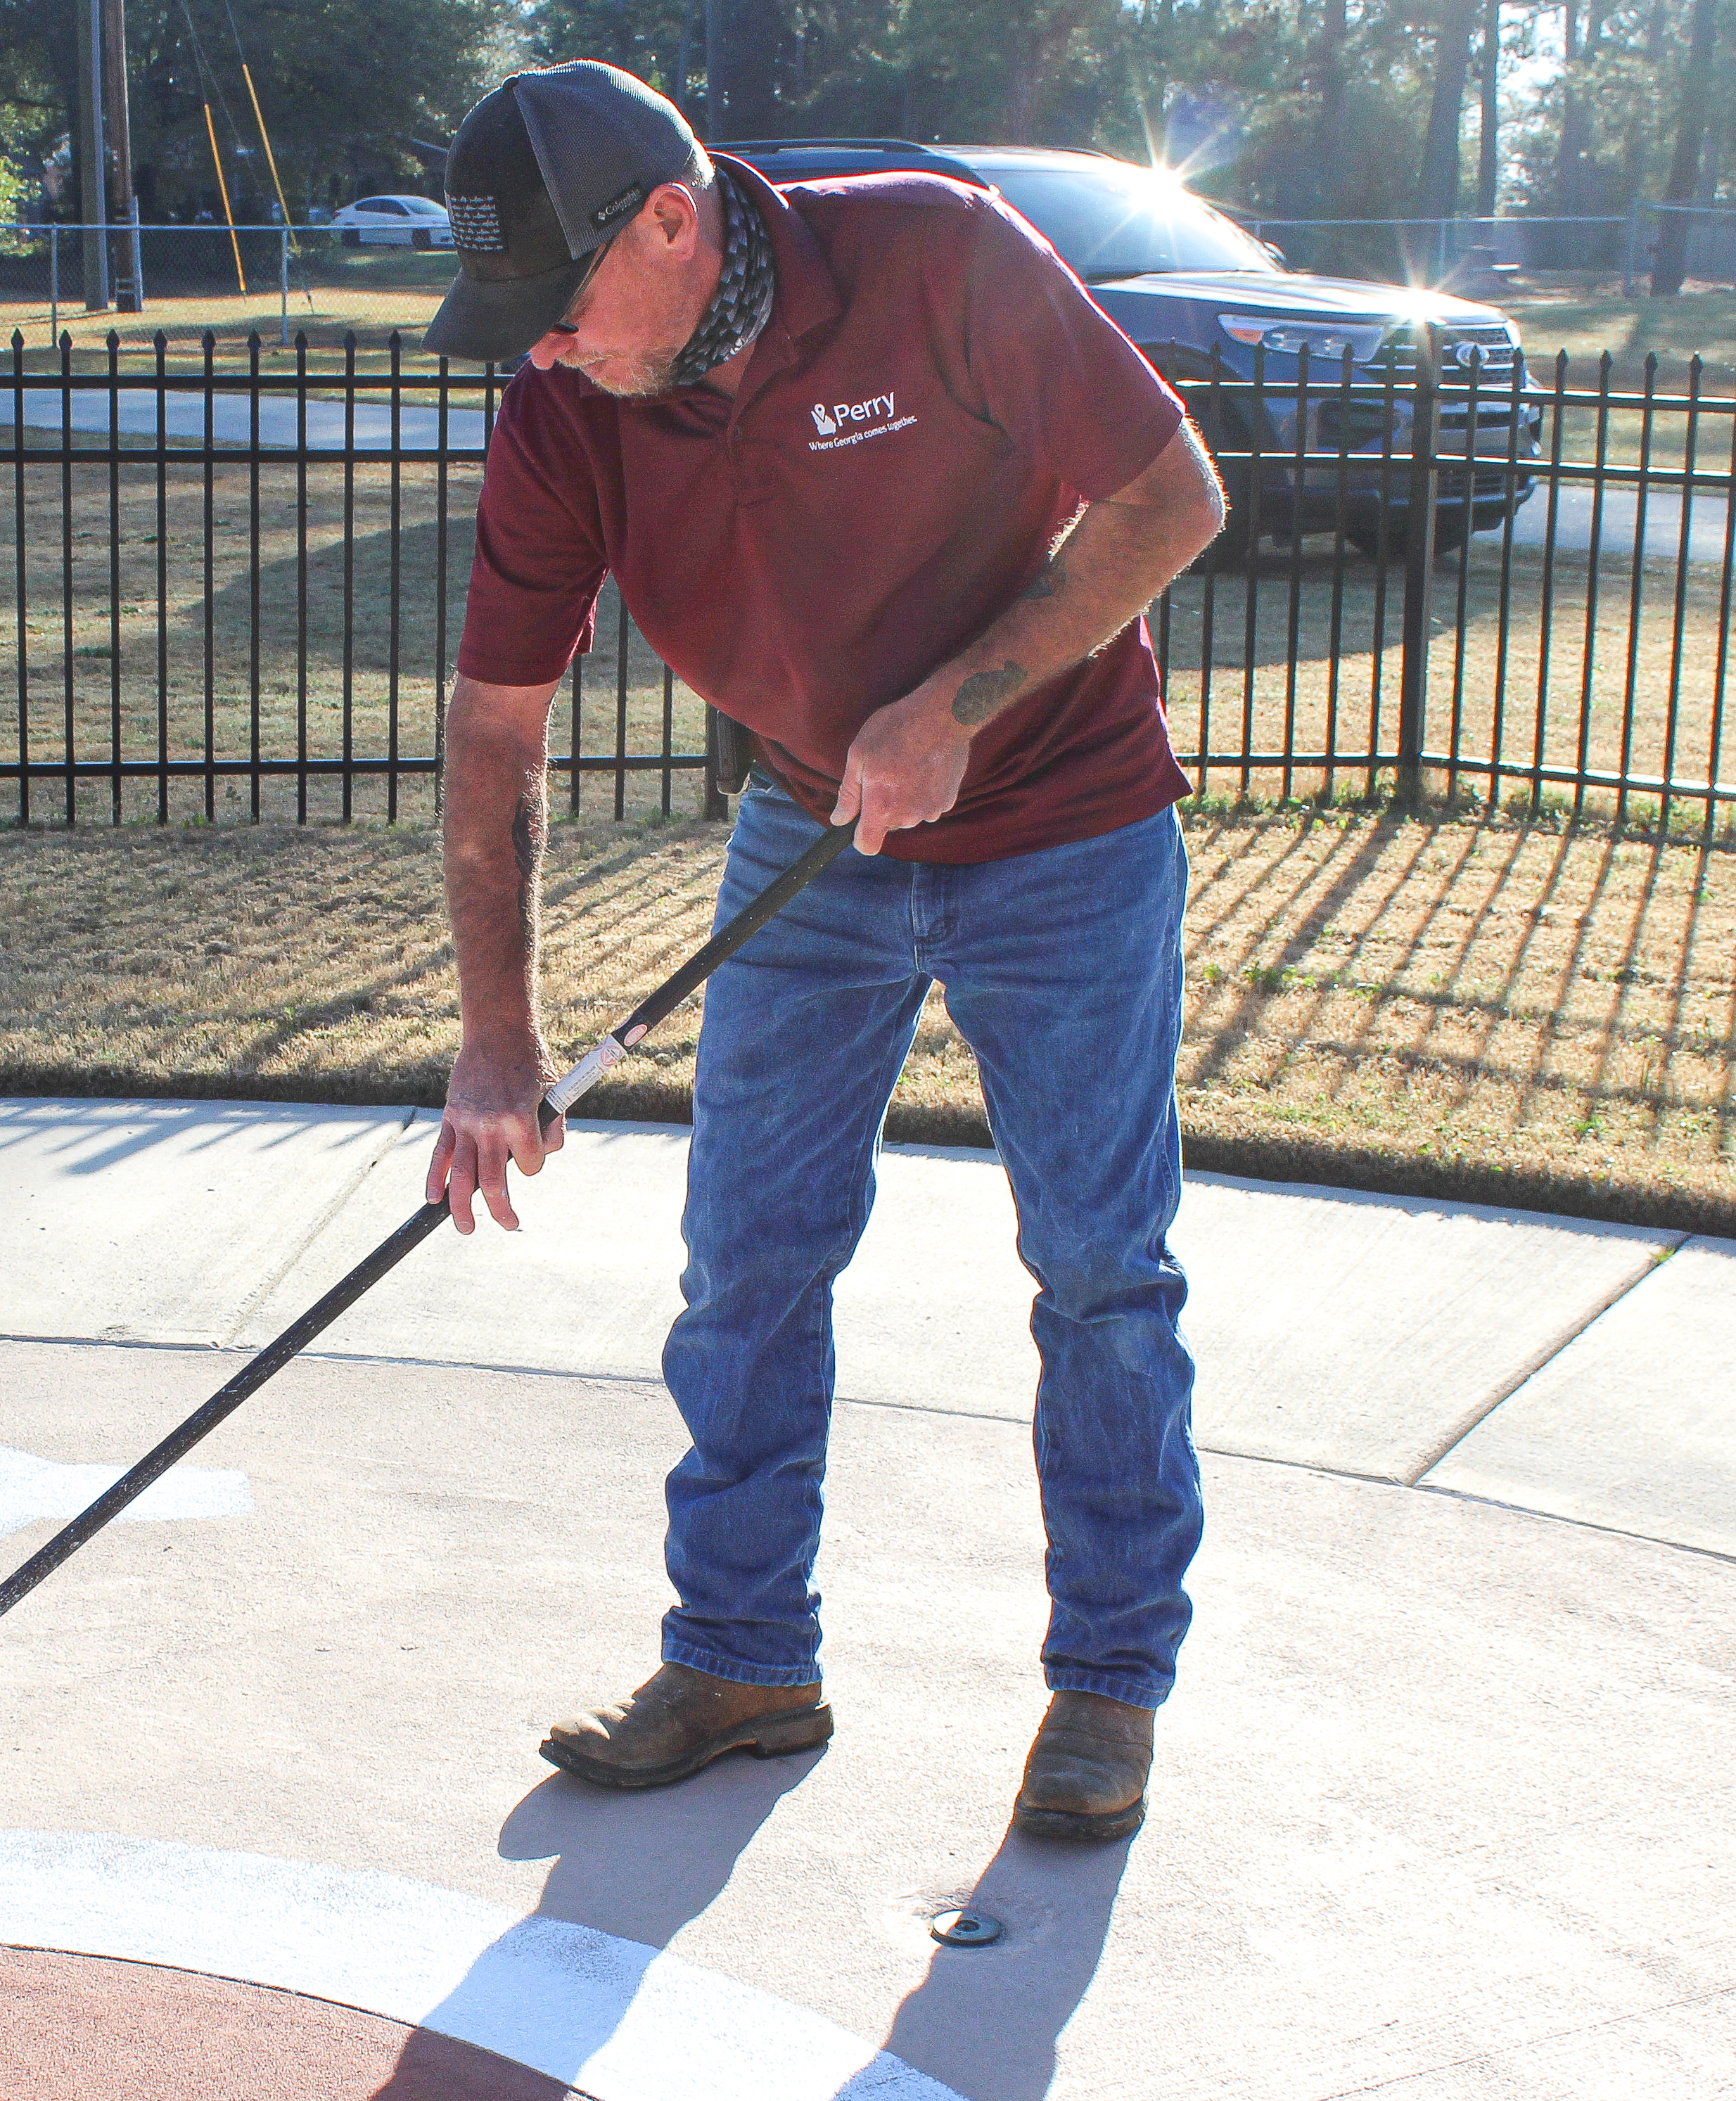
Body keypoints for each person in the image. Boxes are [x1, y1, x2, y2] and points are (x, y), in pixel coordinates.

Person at [420, 63, 1225, 1844]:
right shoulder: (567, 409)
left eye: (558, 308)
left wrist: (959, 702)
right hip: (812, 830)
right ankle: (741, 1657)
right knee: (748, 1256)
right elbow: (496, 727)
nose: (540, 353)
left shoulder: (937, 259)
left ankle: (1107, 1689)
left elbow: (1173, 499)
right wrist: (495, 1041)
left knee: (1099, 1264)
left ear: (673, 223)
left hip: (1067, 827)